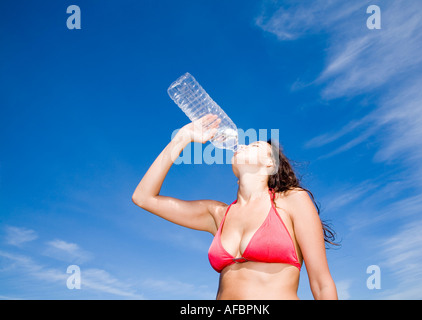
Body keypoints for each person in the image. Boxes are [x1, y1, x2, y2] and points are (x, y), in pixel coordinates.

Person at [132, 114, 338, 300]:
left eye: (255, 146)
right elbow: (143, 197)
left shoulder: (291, 200)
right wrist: (182, 138)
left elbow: (322, 284)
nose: (243, 146)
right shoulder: (218, 214)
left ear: (270, 164)